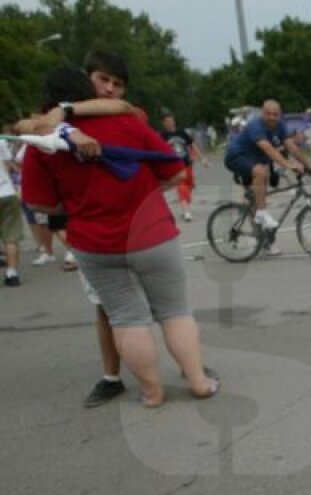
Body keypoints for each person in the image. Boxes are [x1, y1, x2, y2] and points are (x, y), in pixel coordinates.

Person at [21, 67, 217, 408]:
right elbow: (175, 172)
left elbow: (39, 202)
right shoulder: (126, 123)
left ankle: (152, 392)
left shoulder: (42, 143)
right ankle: (198, 381)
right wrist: (143, 191)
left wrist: (74, 201)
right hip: (152, 233)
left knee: (126, 318)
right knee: (175, 312)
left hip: (95, 243)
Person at [222, 99, 311, 255]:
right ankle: (261, 214)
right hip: (237, 158)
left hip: (256, 162)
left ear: (280, 115)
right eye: (268, 114)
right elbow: (268, 149)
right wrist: (288, 165)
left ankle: (264, 240)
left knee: (259, 193)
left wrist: (308, 165)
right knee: (260, 177)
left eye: (275, 114)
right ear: (262, 113)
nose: (272, 117)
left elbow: (291, 147)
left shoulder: (280, 126)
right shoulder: (255, 126)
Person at [159, 113, 207, 222]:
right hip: (174, 166)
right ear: (164, 123)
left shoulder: (182, 133)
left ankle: (185, 204)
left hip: (187, 164)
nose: (170, 123)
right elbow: (159, 151)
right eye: (167, 121)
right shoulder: (163, 136)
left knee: (189, 186)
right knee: (182, 186)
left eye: (171, 120)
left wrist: (202, 159)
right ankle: (186, 211)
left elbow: (192, 145)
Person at [0, 136, 23, 286]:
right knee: (11, 236)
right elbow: (9, 166)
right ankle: (12, 273)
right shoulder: (1, 142)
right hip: (6, 192)